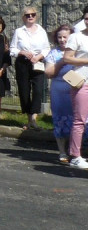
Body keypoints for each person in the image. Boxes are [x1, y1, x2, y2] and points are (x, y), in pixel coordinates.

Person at [10, 6, 49, 130]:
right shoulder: (19, 31)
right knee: (24, 91)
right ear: (23, 17)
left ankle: (34, 119)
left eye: (33, 14)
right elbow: (12, 49)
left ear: (36, 16)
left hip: (37, 62)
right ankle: (28, 118)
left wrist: (38, 57)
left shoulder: (41, 31)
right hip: (23, 63)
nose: (30, 17)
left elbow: (47, 48)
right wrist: (22, 52)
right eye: (27, 15)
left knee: (38, 90)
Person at [44, 25, 75, 164]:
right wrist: (63, 61)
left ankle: (75, 151)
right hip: (59, 91)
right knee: (61, 120)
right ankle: (62, 151)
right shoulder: (53, 53)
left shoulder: (78, 52)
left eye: (65, 37)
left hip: (76, 89)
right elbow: (49, 73)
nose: (62, 40)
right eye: (60, 37)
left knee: (78, 120)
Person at [62, 24, 88, 170]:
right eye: (86, 18)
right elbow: (67, 58)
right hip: (82, 82)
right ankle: (75, 156)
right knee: (80, 120)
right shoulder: (76, 37)